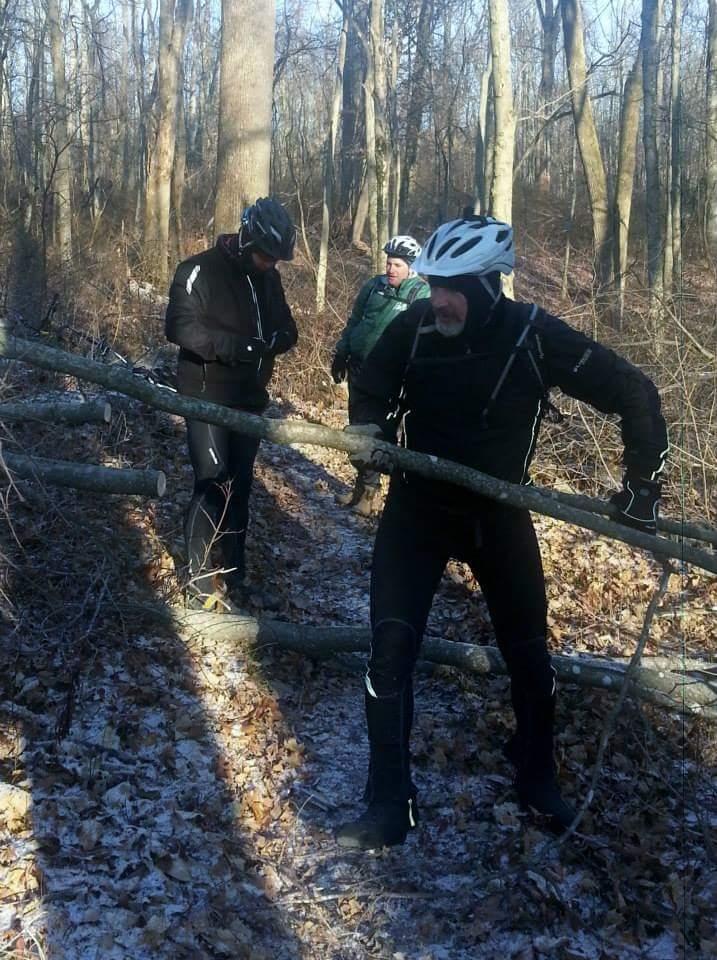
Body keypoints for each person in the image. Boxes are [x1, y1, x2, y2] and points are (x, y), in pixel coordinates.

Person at [335, 215, 668, 848]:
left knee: (529, 657)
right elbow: (370, 378)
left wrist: (643, 487)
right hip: (418, 511)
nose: (439, 299)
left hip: (497, 515)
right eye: (434, 284)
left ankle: (536, 776)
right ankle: (387, 802)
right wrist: (368, 432)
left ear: (490, 284)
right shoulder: (416, 327)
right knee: (389, 653)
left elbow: (633, 389)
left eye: (454, 286)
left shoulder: (532, 334)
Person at [165, 197, 298, 612]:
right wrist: (238, 347)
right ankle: (199, 580)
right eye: (264, 255)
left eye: (275, 259)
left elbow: (287, 328)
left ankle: (236, 577)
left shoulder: (269, 279)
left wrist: (278, 341)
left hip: (249, 399)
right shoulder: (198, 270)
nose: (268, 264)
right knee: (213, 479)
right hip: (206, 396)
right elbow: (180, 327)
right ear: (244, 239)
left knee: (240, 486)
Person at [331, 235, 429, 516]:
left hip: (389, 376)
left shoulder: (419, 295)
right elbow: (355, 321)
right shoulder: (373, 286)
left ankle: (371, 494)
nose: (391, 269)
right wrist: (341, 352)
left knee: (372, 431)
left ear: (410, 267)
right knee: (356, 428)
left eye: (397, 265)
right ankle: (360, 487)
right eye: (388, 263)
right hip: (358, 366)